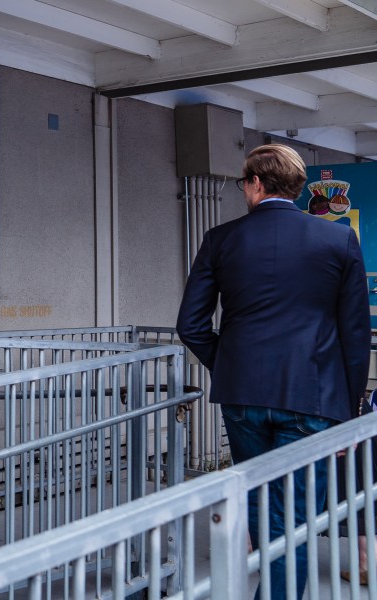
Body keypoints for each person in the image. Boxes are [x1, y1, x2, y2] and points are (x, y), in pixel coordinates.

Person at [176, 144, 371, 600]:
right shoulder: (339, 240)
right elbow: (355, 335)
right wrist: (351, 409)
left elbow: (190, 325)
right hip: (314, 397)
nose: (244, 191)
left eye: (245, 184)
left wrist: (227, 365)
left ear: (257, 184)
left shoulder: (220, 239)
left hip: (242, 397)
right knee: (297, 518)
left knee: (262, 505)